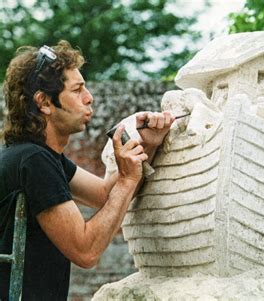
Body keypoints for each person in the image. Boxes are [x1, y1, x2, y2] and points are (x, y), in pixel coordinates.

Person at [0, 41, 172, 299]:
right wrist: (126, 181)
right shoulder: (33, 160)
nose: (89, 97)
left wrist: (147, 143)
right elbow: (85, 250)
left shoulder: (36, 155)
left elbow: (103, 194)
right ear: (45, 102)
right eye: (77, 89)